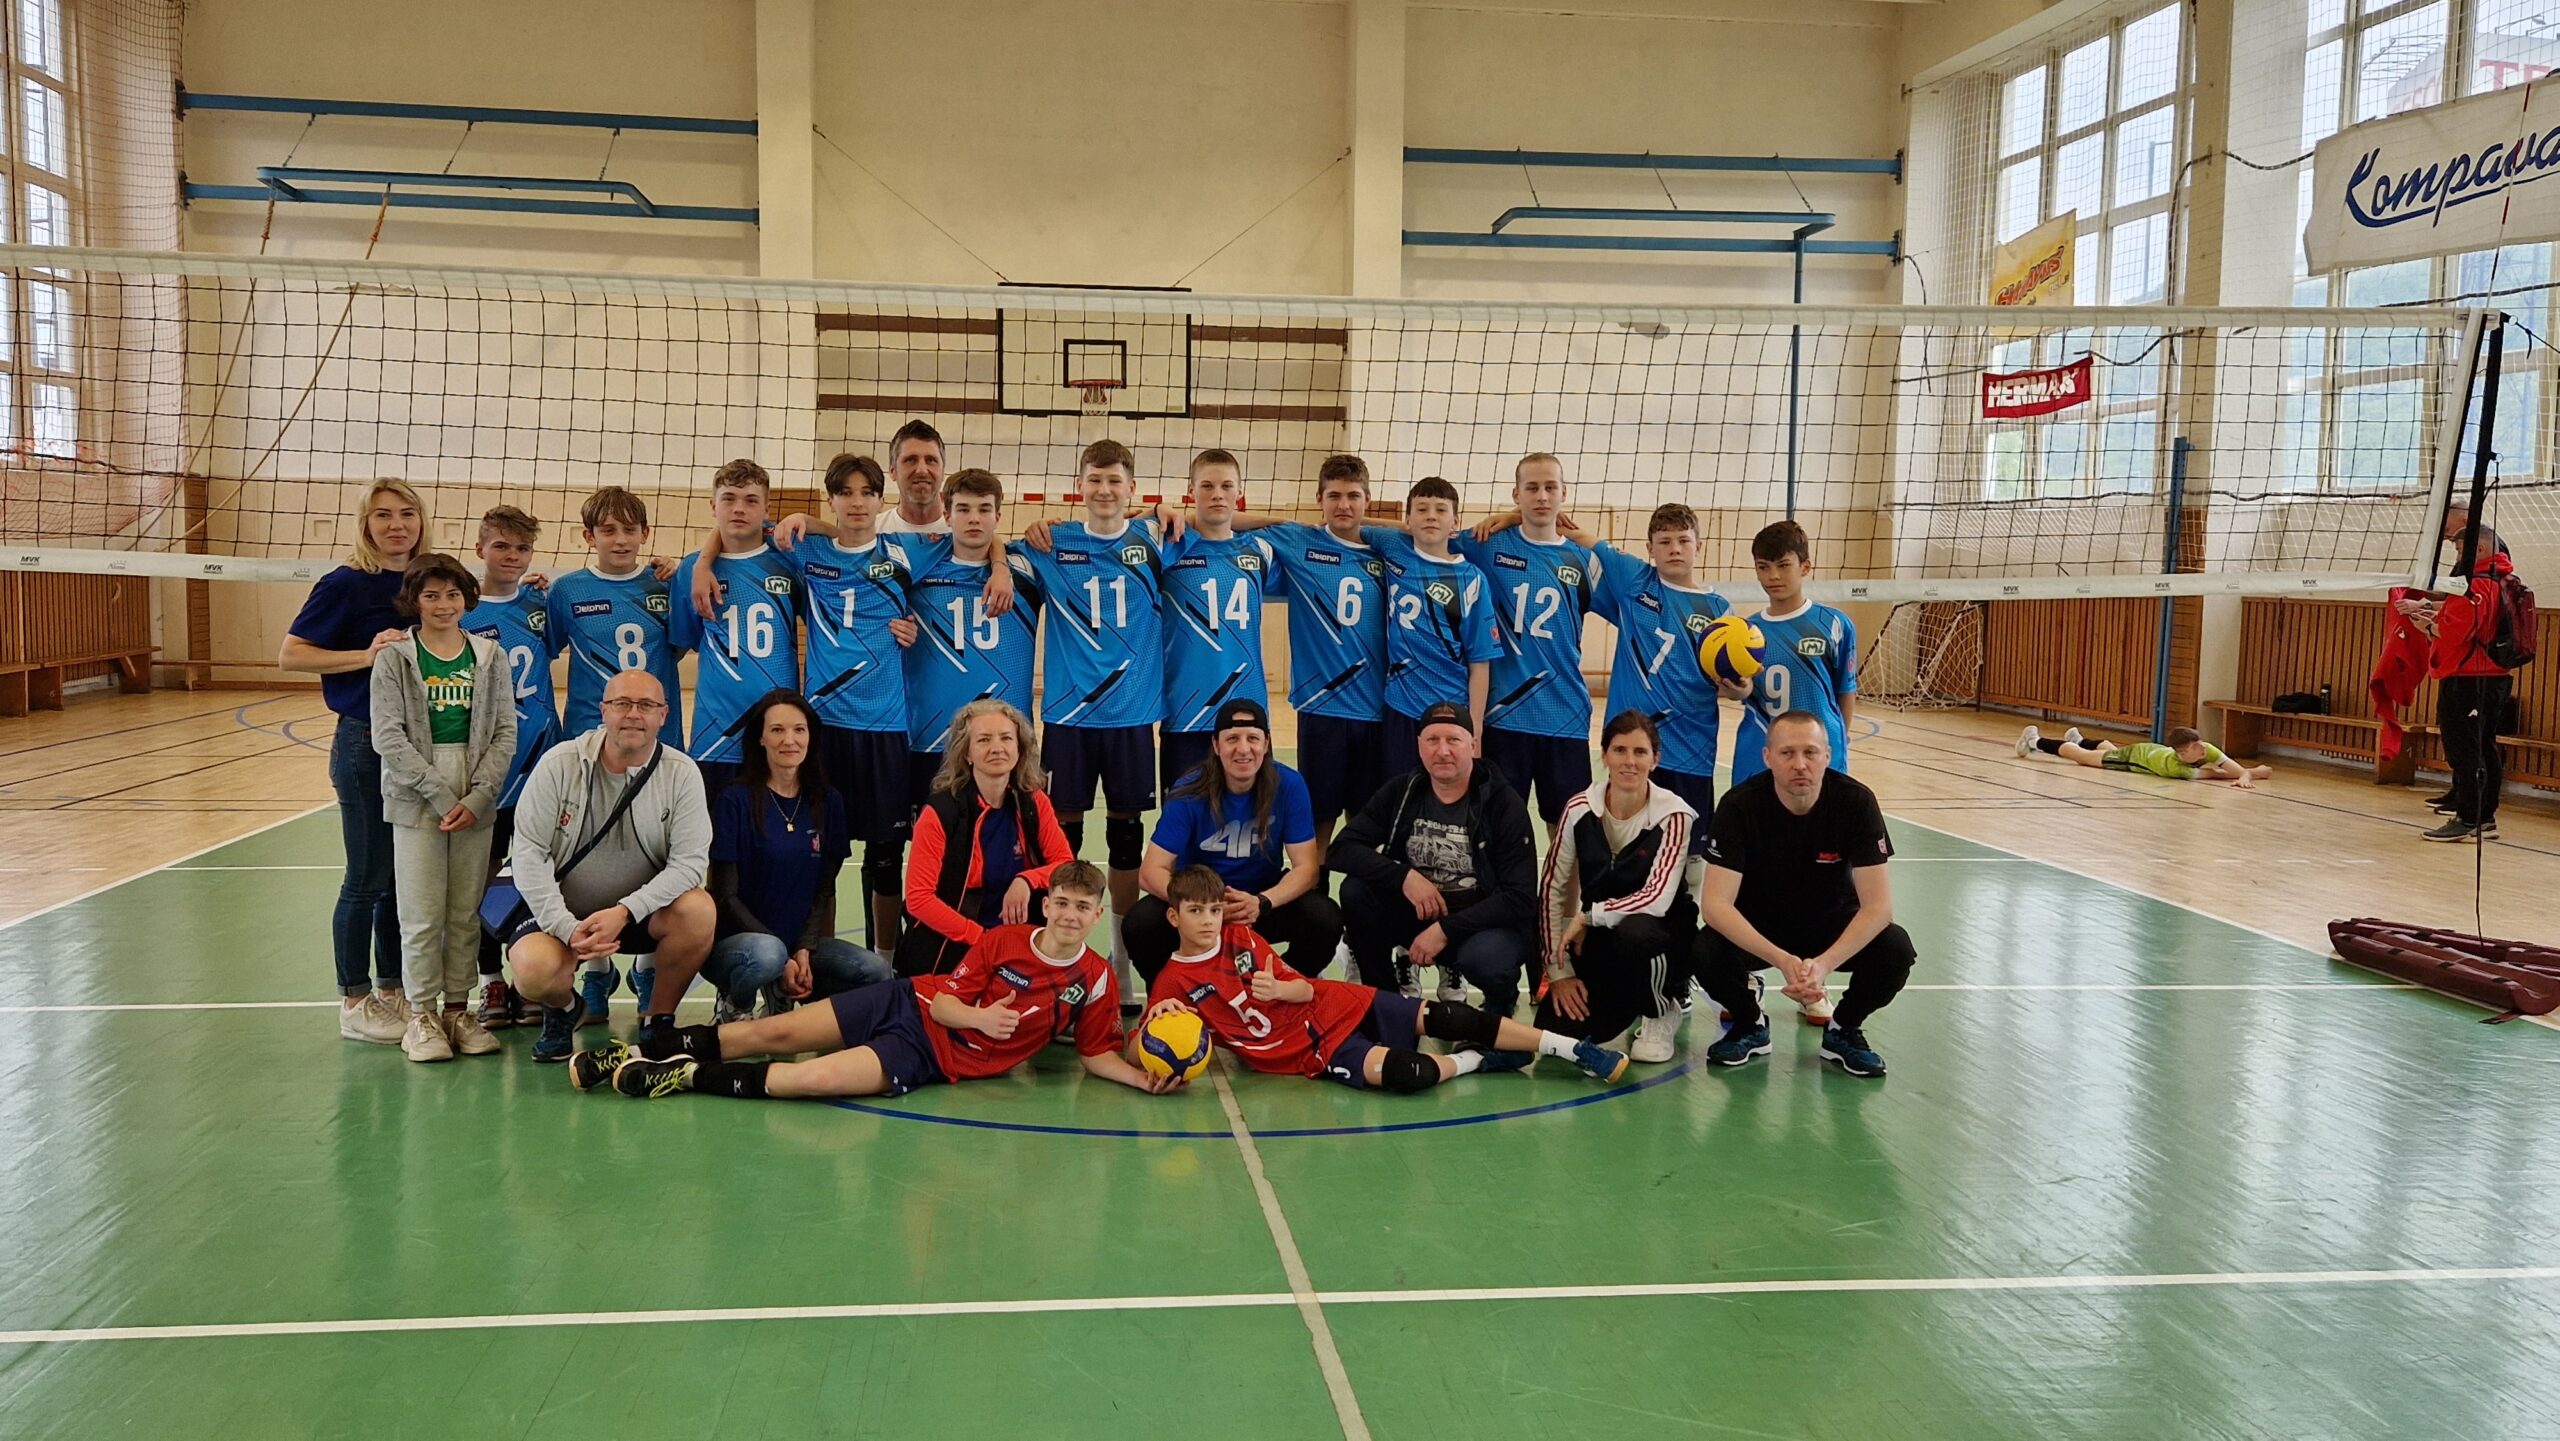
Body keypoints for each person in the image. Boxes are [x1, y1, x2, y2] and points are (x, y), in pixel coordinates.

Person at [587, 860, 1180, 1102]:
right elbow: (945, 1004)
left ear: (1097, 916)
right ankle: (634, 1051)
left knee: (811, 1079)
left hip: (926, 1057)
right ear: (1046, 906)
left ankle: (684, 1076)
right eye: (1062, 904)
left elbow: (1096, 1053)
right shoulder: (1001, 942)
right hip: (909, 1004)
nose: (1071, 915)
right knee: (772, 1033)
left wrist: (1141, 1075)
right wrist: (981, 1017)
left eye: (1083, 908)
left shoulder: (1095, 979)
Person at [1139, 865, 1630, 1090]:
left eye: (1214, 910)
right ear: (1173, 917)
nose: (1208, 920)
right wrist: (1159, 1038)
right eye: (1196, 911)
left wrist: (1279, 988)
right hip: (1312, 1050)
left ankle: (1574, 1050)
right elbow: (1140, 1047)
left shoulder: (1242, 938)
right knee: (1410, 1074)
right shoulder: (1171, 984)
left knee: (1451, 1017)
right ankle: (1482, 1060)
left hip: (1332, 1002)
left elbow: (1304, 988)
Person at [1013, 439, 1173, 982]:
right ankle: (1060, 954)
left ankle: (1121, 963)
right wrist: (1001, 562)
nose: (1104, 490)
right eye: (1095, 480)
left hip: (1131, 719)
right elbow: (988, 546)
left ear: (1132, 489)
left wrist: (1170, 510)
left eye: (1114, 481)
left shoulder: (1154, 538)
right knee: (1064, 838)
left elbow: (1216, 522)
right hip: (1068, 719)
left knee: (1127, 839)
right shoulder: (1051, 542)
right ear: (1078, 487)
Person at [507, 668, 718, 1063]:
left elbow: (690, 864)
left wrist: (625, 911)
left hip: (639, 917)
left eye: (646, 705)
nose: (633, 714)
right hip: (565, 916)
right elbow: (529, 853)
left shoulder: (681, 773)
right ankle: (564, 1009)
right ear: (603, 710)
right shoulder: (558, 764)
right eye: (622, 704)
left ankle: (658, 1018)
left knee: (698, 910)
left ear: (664, 715)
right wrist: (566, 927)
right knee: (534, 970)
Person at [282, 478, 427, 1045]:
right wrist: (366, 656)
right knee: (366, 877)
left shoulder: (426, 578)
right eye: (383, 515)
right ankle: (353, 998)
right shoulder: (345, 583)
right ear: (365, 524)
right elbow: (292, 654)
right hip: (364, 741)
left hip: (420, 745)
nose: (397, 524)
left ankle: (392, 990)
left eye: (407, 513)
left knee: (398, 879)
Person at [1694, 712, 1916, 1078]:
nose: (1800, 764)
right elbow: (1716, 906)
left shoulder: (1856, 803)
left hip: (1831, 925)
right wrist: (1782, 960)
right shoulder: (1739, 806)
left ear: (1827, 755)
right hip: (1761, 927)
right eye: (1787, 753)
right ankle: (1750, 1025)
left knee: (1896, 948)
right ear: (1768, 757)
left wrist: (1824, 965)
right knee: (1705, 948)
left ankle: (1843, 1029)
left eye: (1810, 752)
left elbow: (1879, 908)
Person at [765, 454, 923, 951]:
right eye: (846, 493)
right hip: (825, 728)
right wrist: (700, 562)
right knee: (822, 859)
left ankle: (885, 961)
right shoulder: (806, 550)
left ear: (881, 499)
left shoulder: (905, 553)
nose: (857, 502)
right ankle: (823, 958)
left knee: (885, 859)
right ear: (831, 499)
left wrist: (1000, 566)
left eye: (867, 493)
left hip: (886, 729)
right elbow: (737, 528)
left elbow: (977, 542)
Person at [369, 553, 518, 1062]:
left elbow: (504, 730)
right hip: (417, 794)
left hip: (475, 791)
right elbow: (388, 736)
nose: (443, 604)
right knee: (421, 913)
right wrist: (438, 792)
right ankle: (421, 1015)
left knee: (463, 914)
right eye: (431, 595)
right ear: (414, 600)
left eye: (452, 594)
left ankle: (458, 1009)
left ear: (466, 599)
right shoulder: (395, 657)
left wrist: (479, 795)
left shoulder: (488, 656)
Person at [1328, 701, 1539, 1012]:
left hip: (1477, 922)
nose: (1442, 751)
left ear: (1472, 744)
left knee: (1487, 960)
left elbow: (1520, 897)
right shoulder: (1403, 791)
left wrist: (1446, 929)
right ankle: (1388, 1003)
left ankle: (1500, 1005)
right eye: (1432, 740)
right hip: (1419, 912)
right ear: (1419, 745)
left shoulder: (1503, 802)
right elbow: (1341, 850)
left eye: (1453, 740)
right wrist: (1404, 877)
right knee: (1356, 890)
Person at [702, 689, 893, 1022]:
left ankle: (785, 995)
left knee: (876, 971)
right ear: (761, 738)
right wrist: (781, 956)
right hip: (741, 947)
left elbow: (823, 890)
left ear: (810, 737)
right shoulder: (734, 800)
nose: (789, 740)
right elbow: (726, 897)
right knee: (768, 954)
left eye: (799, 730)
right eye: (777, 730)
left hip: (796, 945)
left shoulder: (828, 801)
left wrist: (803, 948)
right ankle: (735, 1005)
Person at [1128, 699, 1341, 982]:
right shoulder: (1191, 789)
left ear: (1266, 744)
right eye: (1232, 739)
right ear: (1216, 746)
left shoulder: (1288, 785)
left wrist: (1262, 902)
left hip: (1259, 902)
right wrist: (1206, 905)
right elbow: (1150, 872)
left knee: (1324, 918)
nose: (1243, 749)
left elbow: (1307, 868)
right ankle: (1176, 992)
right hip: (1201, 902)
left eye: (1253, 738)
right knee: (1141, 924)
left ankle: (1276, 987)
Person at [1253, 455, 1401, 841]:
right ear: (1319, 499)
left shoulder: (1389, 551)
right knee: (1319, 816)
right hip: (1321, 709)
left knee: (1366, 821)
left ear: (1368, 500)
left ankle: (1360, 881)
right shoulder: (1298, 540)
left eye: (1353, 496)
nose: (1343, 505)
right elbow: (1224, 522)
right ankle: (1313, 879)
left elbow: (1427, 529)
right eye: (1333, 496)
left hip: (1377, 708)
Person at [1537, 712, 1699, 1063]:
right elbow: (1552, 887)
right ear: (1605, 755)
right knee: (1554, 1031)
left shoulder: (1674, 815)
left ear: (1655, 760)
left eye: (1640, 752)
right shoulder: (1579, 809)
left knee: (1636, 932)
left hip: (1660, 935)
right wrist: (1559, 972)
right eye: (1620, 750)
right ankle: (1627, 1003)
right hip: (1602, 937)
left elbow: (1657, 898)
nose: (1629, 761)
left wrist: (1588, 916)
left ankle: (1661, 1009)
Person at [891, 469, 1045, 819]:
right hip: (931, 737)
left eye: (984, 509)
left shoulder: (1027, 567)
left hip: (1005, 742)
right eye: (963, 509)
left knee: (1010, 840)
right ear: (946, 514)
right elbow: (853, 544)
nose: (974, 518)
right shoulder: (917, 558)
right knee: (932, 840)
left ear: (998, 516)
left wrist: (1001, 564)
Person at [1457, 453, 1598, 826]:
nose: (1542, 496)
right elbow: (1426, 530)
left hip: (1566, 717)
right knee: (1498, 830)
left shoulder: (1586, 561)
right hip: (1504, 718)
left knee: (1569, 833)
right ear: (1516, 494)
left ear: (1564, 493)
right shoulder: (1486, 543)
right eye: (1532, 488)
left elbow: (1636, 593)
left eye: (1550, 487)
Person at [460, 504, 560, 1029]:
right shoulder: (460, 613)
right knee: (480, 877)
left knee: (539, 872)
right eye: (501, 546)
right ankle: (490, 979)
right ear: (480, 549)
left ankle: (531, 975)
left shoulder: (540, 605)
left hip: (542, 768)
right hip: (487, 773)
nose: (513, 556)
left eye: (522, 548)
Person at [899, 699, 1076, 977]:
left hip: (1019, 937)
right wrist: (982, 938)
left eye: (1006, 738)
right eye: (983, 740)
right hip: (958, 940)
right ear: (966, 753)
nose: (997, 748)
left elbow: (1065, 864)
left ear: (1019, 748)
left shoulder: (1033, 801)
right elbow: (919, 899)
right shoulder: (940, 812)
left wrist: (1026, 880)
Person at [670, 459, 802, 797]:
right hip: (715, 731)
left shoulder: (790, 560)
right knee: (717, 825)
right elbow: (685, 640)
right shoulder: (691, 570)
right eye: (728, 499)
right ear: (713, 505)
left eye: (751, 500)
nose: (739, 508)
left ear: (767, 508)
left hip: (779, 729)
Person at [1157, 449, 1285, 792]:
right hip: (1185, 713)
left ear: (1239, 492)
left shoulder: (1261, 551)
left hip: (1246, 714)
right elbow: (1122, 530)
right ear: (1190, 491)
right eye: (1207, 486)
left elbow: (1313, 534)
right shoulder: (1169, 546)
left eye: (1227, 486)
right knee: (1184, 816)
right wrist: (1158, 509)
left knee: (1251, 816)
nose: (1217, 494)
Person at [2397, 546, 2522, 842]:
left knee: (2466, 750)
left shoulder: (2477, 583)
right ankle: (2483, 818)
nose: (2456, 554)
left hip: (2470, 679)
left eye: (2458, 547)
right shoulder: (2501, 579)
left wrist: (2428, 626)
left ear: (2478, 548)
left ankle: (2468, 819)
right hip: (2491, 677)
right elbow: (2473, 624)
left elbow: (2456, 633)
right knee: (2483, 746)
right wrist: (2433, 614)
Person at [1375, 477, 1498, 765]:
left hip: (1450, 710)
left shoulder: (1471, 579)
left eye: (1441, 510)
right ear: (1407, 520)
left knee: (1447, 787)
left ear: (1456, 522)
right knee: (1400, 787)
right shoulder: (1392, 546)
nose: (1431, 516)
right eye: (1421, 509)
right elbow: (1351, 523)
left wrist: (1475, 730)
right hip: (1400, 707)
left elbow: (1480, 662)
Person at [1730, 521, 1858, 786]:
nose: (1773, 576)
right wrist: (1738, 689)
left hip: (1816, 753)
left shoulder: (1834, 624)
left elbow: (1845, 690)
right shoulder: (1746, 632)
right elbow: (1739, 692)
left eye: (1783, 565)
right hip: (1759, 750)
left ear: (1805, 567)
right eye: (1763, 567)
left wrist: (1836, 742)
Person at [2017, 724, 2271, 787]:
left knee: (2110, 750)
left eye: (2201, 745)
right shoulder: (2176, 768)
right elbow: (2217, 774)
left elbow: (2234, 770)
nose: (2203, 750)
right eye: (2196, 748)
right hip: (2138, 757)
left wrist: (2246, 775)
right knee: (2083, 758)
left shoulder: (2207, 749)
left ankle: (2080, 739)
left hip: (2149, 750)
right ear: (2182, 753)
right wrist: (2252, 773)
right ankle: (2033, 742)